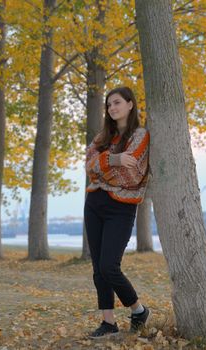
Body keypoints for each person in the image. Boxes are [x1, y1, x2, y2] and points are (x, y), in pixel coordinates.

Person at [84, 86, 151, 338]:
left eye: (117, 103)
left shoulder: (140, 136)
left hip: (121, 208)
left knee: (109, 266)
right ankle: (108, 322)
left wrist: (104, 166)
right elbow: (89, 166)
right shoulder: (102, 137)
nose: (112, 108)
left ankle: (138, 310)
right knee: (97, 268)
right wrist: (114, 159)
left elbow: (132, 173)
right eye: (109, 105)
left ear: (130, 104)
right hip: (94, 203)